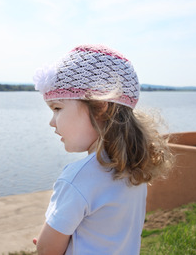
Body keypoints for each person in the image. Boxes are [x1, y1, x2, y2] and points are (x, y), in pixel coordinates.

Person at [32, 44, 174, 255]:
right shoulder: (135, 170)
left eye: (57, 108)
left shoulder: (77, 178)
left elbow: (47, 250)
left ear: (99, 107)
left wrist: (46, 244)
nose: (52, 122)